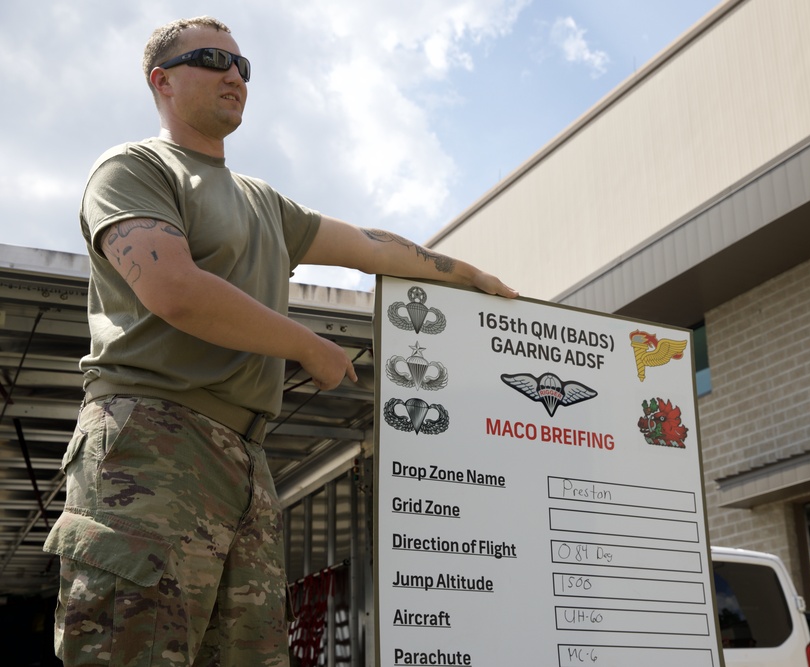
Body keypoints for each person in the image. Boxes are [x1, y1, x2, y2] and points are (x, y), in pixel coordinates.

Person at [42, 15, 517, 667]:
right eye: (212, 59)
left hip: (244, 456)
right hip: (149, 438)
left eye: (244, 66)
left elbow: (368, 245)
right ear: (163, 82)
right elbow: (171, 287)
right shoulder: (134, 168)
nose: (234, 74)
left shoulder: (264, 202)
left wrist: (468, 273)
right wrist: (304, 341)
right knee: (135, 650)